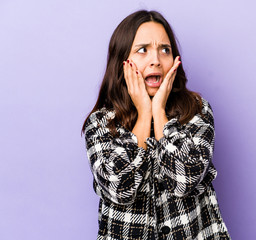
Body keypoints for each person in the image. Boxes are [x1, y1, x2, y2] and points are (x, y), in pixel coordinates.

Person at [82, 10, 231, 240]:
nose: (156, 60)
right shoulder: (101, 123)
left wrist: (158, 110)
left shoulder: (197, 111)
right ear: (122, 61)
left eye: (165, 49)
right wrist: (144, 114)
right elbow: (119, 189)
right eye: (143, 50)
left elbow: (184, 181)